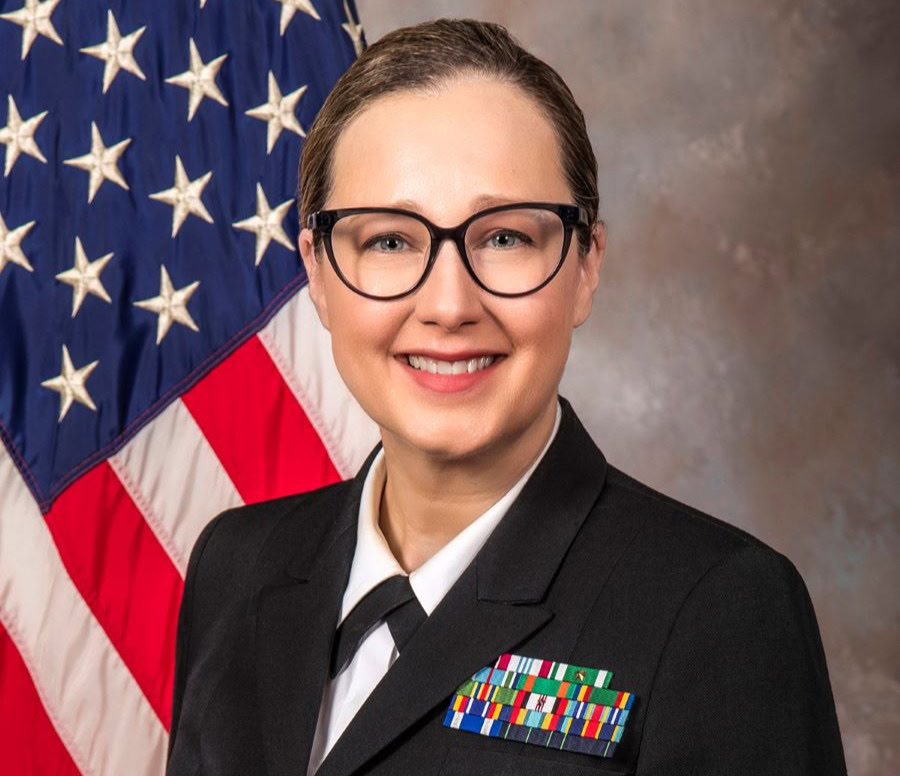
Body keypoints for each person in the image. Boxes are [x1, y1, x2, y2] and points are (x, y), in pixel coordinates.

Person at [166, 18, 847, 776]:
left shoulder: (718, 608)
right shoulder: (237, 566)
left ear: (586, 266)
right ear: (318, 275)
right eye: (389, 240)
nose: (449, 306)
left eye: (505, 239)